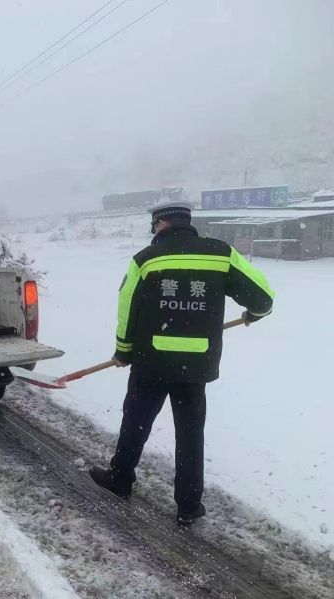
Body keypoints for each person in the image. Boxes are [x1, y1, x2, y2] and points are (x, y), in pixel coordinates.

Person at [89, 201, 275, 525]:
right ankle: (188, 506)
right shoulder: (220, 254)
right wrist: (254, 314)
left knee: (136, 421)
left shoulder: (145, 260)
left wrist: (123, 350)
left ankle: (120, 479)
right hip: (196, 365)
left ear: (161, 225)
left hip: (151, 362)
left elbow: (127, 307)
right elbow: (263, 298)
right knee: (190, 435)